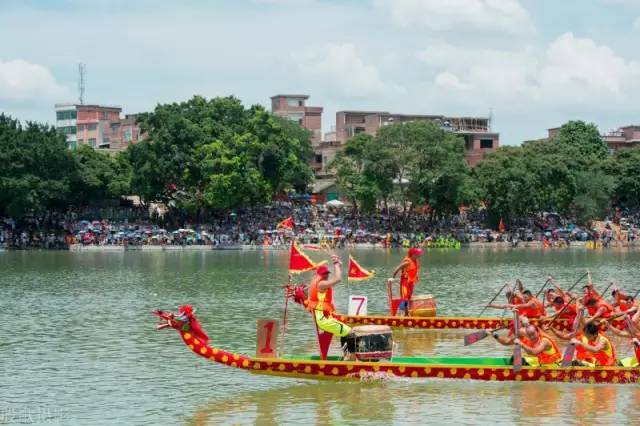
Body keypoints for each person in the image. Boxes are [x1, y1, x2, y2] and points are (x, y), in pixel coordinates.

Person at [308, 255, 352, 340]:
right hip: (325, 321)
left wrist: (338, 266)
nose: (327, 276)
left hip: (325, 318)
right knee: (351, 332)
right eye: (325, 274)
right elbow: (338, 279)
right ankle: (356, 351)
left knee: (345, 331)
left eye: (327, 273)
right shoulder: (321, 284)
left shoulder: (316, 282)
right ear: (321, 275)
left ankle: (348, 352)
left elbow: (335, 278)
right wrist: (336, 264)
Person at [392, 247, 423, 315]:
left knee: (408, 298)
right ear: (413, 255)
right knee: (404, 298)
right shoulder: (407, 262)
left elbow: (421, 248)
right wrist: (393, 276)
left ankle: (406, 314)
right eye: (417, 254)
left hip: (410, 282)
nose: (419, 255)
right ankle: (399, 314)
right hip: (405, 282)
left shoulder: (414, 261)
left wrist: (426, 241)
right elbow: (398, 268)